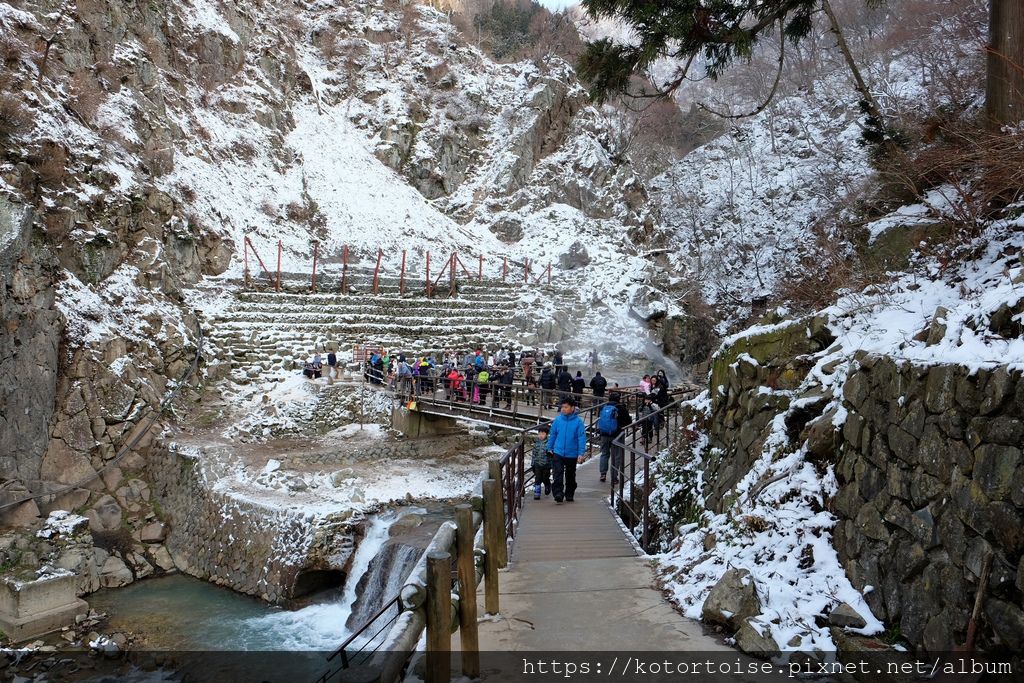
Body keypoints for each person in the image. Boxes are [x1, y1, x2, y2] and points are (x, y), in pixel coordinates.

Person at [547, 397, 587, 504]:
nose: (563, 409)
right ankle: (558, 493)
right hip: (558, 452)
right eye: (562, 407)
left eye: (566, 407)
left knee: (570, 475)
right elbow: (553, 435)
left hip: (572, 453)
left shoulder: (578, 422)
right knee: (557, 473)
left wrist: (581, 453)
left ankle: (569, 493)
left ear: (572, 408)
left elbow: (581, 438)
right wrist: (549, 447)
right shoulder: (558, 420)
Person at [596, 392, 631, 484]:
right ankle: (614, 477)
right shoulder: (621, 408)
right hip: (617, 435)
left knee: (604, 454)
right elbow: (628, 422)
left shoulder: (603, 407)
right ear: (619, 399)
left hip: (604, 434)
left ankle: (603, 474)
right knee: (617, 456)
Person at [531, 426, 552, 500]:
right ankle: (537, 493)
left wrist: (551, 464)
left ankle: (548, 485)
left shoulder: (549, 443)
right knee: (538, 478)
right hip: (537, 464)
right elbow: (534, 454)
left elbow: (552, 455)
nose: (540, 435)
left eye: (543, 434)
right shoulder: (536, 443)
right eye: (539, 433)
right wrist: (532, 464)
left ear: (546, 434)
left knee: (545, 478)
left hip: (546, 465)